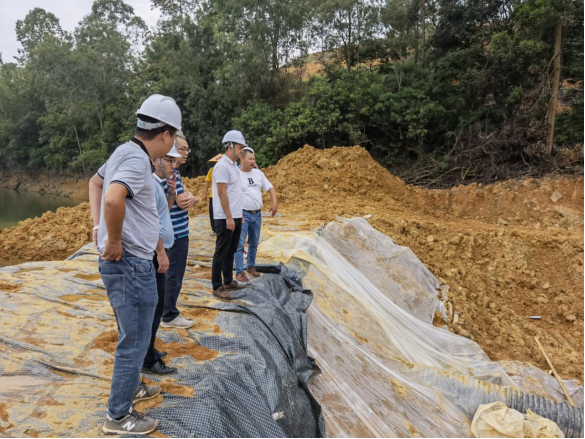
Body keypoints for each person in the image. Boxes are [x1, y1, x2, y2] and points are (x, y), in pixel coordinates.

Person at [88, 94, 181, 436]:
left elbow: (96, 183)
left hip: (129, 261)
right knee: (136, 339)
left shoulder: (124, 152)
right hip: (129, 263)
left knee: (136, 335)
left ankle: (132, 389)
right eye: (174, 139)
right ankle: (118, 415)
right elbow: (112, 197)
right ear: (165, 134)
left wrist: (99, 228)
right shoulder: (137, 159)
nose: (172, 147)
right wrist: (111, 239)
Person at [141, 146, 183, 376]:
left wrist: (170, 193)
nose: (173, 167)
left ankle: (149, 351)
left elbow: (163, 214)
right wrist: (160, 252)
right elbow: (150, 222)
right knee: (154, 308)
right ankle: (147, 360)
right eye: (170, 161)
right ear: (157, 161)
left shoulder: (158, 185)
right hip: (154, 253)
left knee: (156, 306)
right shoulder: (148, 184)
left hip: (160, 249)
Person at [160, 132, 198, 330]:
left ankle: (166, 311)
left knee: (173, 274)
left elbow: (186, 197)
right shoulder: (165, 174)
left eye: (186, 149)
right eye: (181, 149)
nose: (185, 153)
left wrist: (192, 197)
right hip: (173, 234)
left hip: (179, 231)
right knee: (173, 275)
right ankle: (169, 315)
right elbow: (182, 200)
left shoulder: (175, 173)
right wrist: (190, 198)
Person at [211, 130, 249, 300]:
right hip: (224, 216)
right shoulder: (221, 166)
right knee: (221, 251)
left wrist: (238, 214)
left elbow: (235, 193)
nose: (242, 150)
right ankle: (217, 286)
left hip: (235, 215)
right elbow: (222, 193)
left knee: (231, 250)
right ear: (231, 146)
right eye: (240, 147)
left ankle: (228, 281)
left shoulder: (233, 166)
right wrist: (228, 217)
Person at [235, 148, 278, 283]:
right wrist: (236, 213)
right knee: (240, 243)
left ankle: (251, 266)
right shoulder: (236, 174)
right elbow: (231, 195)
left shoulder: (258, 173)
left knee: (254, 242)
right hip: (243, 214)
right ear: (242, 159)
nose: (253, 161)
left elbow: (270, 187)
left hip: (257, 214)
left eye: (254, 159)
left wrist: (274, 202)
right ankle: (239, 271)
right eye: (250, 159)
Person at [203, 154, 223, 235]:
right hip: (213, 196)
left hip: (224, 195)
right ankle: (215, 229)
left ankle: (222, 228)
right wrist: (205, 194)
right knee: (212, 212)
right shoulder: (212, 170)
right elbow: (207, 182)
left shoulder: (227, 170)